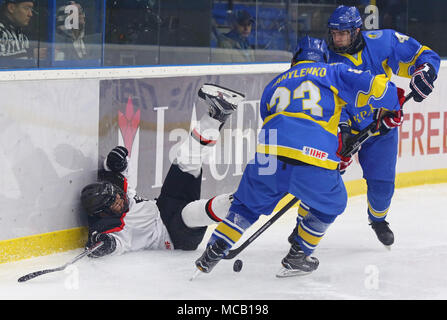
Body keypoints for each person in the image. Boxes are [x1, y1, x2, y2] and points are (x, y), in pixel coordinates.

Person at [194, 36, 406, 278]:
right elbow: (372, 86)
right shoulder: (332, 71)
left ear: (294, 59)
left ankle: (213, 250)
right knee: (332, 203)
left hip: (268, 155)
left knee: (245, 206)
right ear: (323, 58)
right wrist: (394, 100)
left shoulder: (274, 84)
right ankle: (298, 254)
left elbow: (271, 118)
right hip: (312, 157)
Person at [295, 5, 440, 248]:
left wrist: (425, 71)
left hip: (382, 127)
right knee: (322, 179)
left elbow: (424, 56)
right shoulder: (326, 57)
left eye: (343, 33)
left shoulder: (383, 41)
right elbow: (324, 100)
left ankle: (378, 220)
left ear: (357, 31)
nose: (337, 38)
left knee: (382, 186)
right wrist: (341, 131)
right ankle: (301, 224)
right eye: (334, 33)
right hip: (340, 130)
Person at [80, 83, 245, 258]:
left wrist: (115, 161)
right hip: (173, 237)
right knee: (193, 212)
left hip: (165, 205)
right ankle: (243, 201)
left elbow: (120, 170)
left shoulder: (118, 194)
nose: (120, 200)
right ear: (104, 213)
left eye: (118, 195)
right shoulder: (113, 228)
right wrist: (105, 245)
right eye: (114, 203)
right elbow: (117, 243)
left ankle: (218, 114)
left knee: (185, 160)